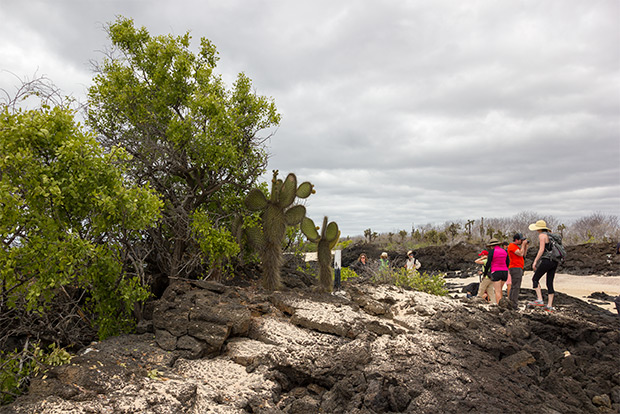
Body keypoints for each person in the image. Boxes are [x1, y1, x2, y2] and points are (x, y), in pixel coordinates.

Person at [527, 220, 559, 313]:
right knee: (549, 282)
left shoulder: (542, 236)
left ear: (539, 229)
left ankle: (540, 300)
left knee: (535, 279)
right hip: (555, 261)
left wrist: (535, 261)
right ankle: (549, 306)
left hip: (547, 260)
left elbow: (541, 250)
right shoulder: (551, 235)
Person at [483, 238, 510, 304]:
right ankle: (502, 304)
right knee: (500, 290)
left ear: (492, 246)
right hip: (505, 272)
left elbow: (488, 264)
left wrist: (485, 274)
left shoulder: (492, 252)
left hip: (496, 271)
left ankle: (499, 306)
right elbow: (508, 262)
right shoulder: (504, 251)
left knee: (497, 291)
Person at [507, 233, 529, 307]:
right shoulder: (511, 246)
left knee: (515, 286)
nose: (521, 241)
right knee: (516, 286)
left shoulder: (516, 247)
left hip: (518, 267)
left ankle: (511, 302)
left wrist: (525, 247)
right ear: (516, 240)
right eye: (520, 240)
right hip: (515, 267)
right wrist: (523, 245)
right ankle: (514, 304)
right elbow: (520, 254)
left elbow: (524, 255)